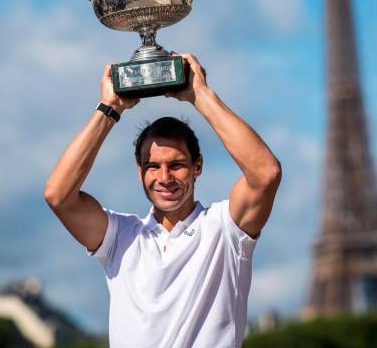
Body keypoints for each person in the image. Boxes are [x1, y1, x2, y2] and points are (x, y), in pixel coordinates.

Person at [44, 53, 282, 347]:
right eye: (153, 166)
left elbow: (265, 173)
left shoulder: (225, 229)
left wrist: (201, 96)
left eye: (177, 164)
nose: (165, 176)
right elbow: (58, 195)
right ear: (139, 171)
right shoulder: (120, 237)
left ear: (198, 167)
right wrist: (110, 107)